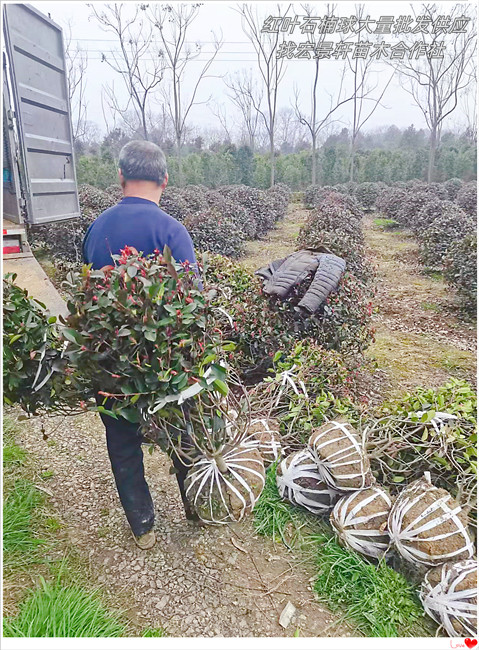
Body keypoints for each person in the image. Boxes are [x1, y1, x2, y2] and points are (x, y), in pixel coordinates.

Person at [82, 140, 199, 550]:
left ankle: (143, 524)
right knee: (183, 434)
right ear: (164, 179)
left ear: (120, 177)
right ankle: (195, 506)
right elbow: (192, 301)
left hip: (111, 367)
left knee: (123, 443)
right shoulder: (171, 231)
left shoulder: (97, 229)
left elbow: (86, 301)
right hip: (166, 365)